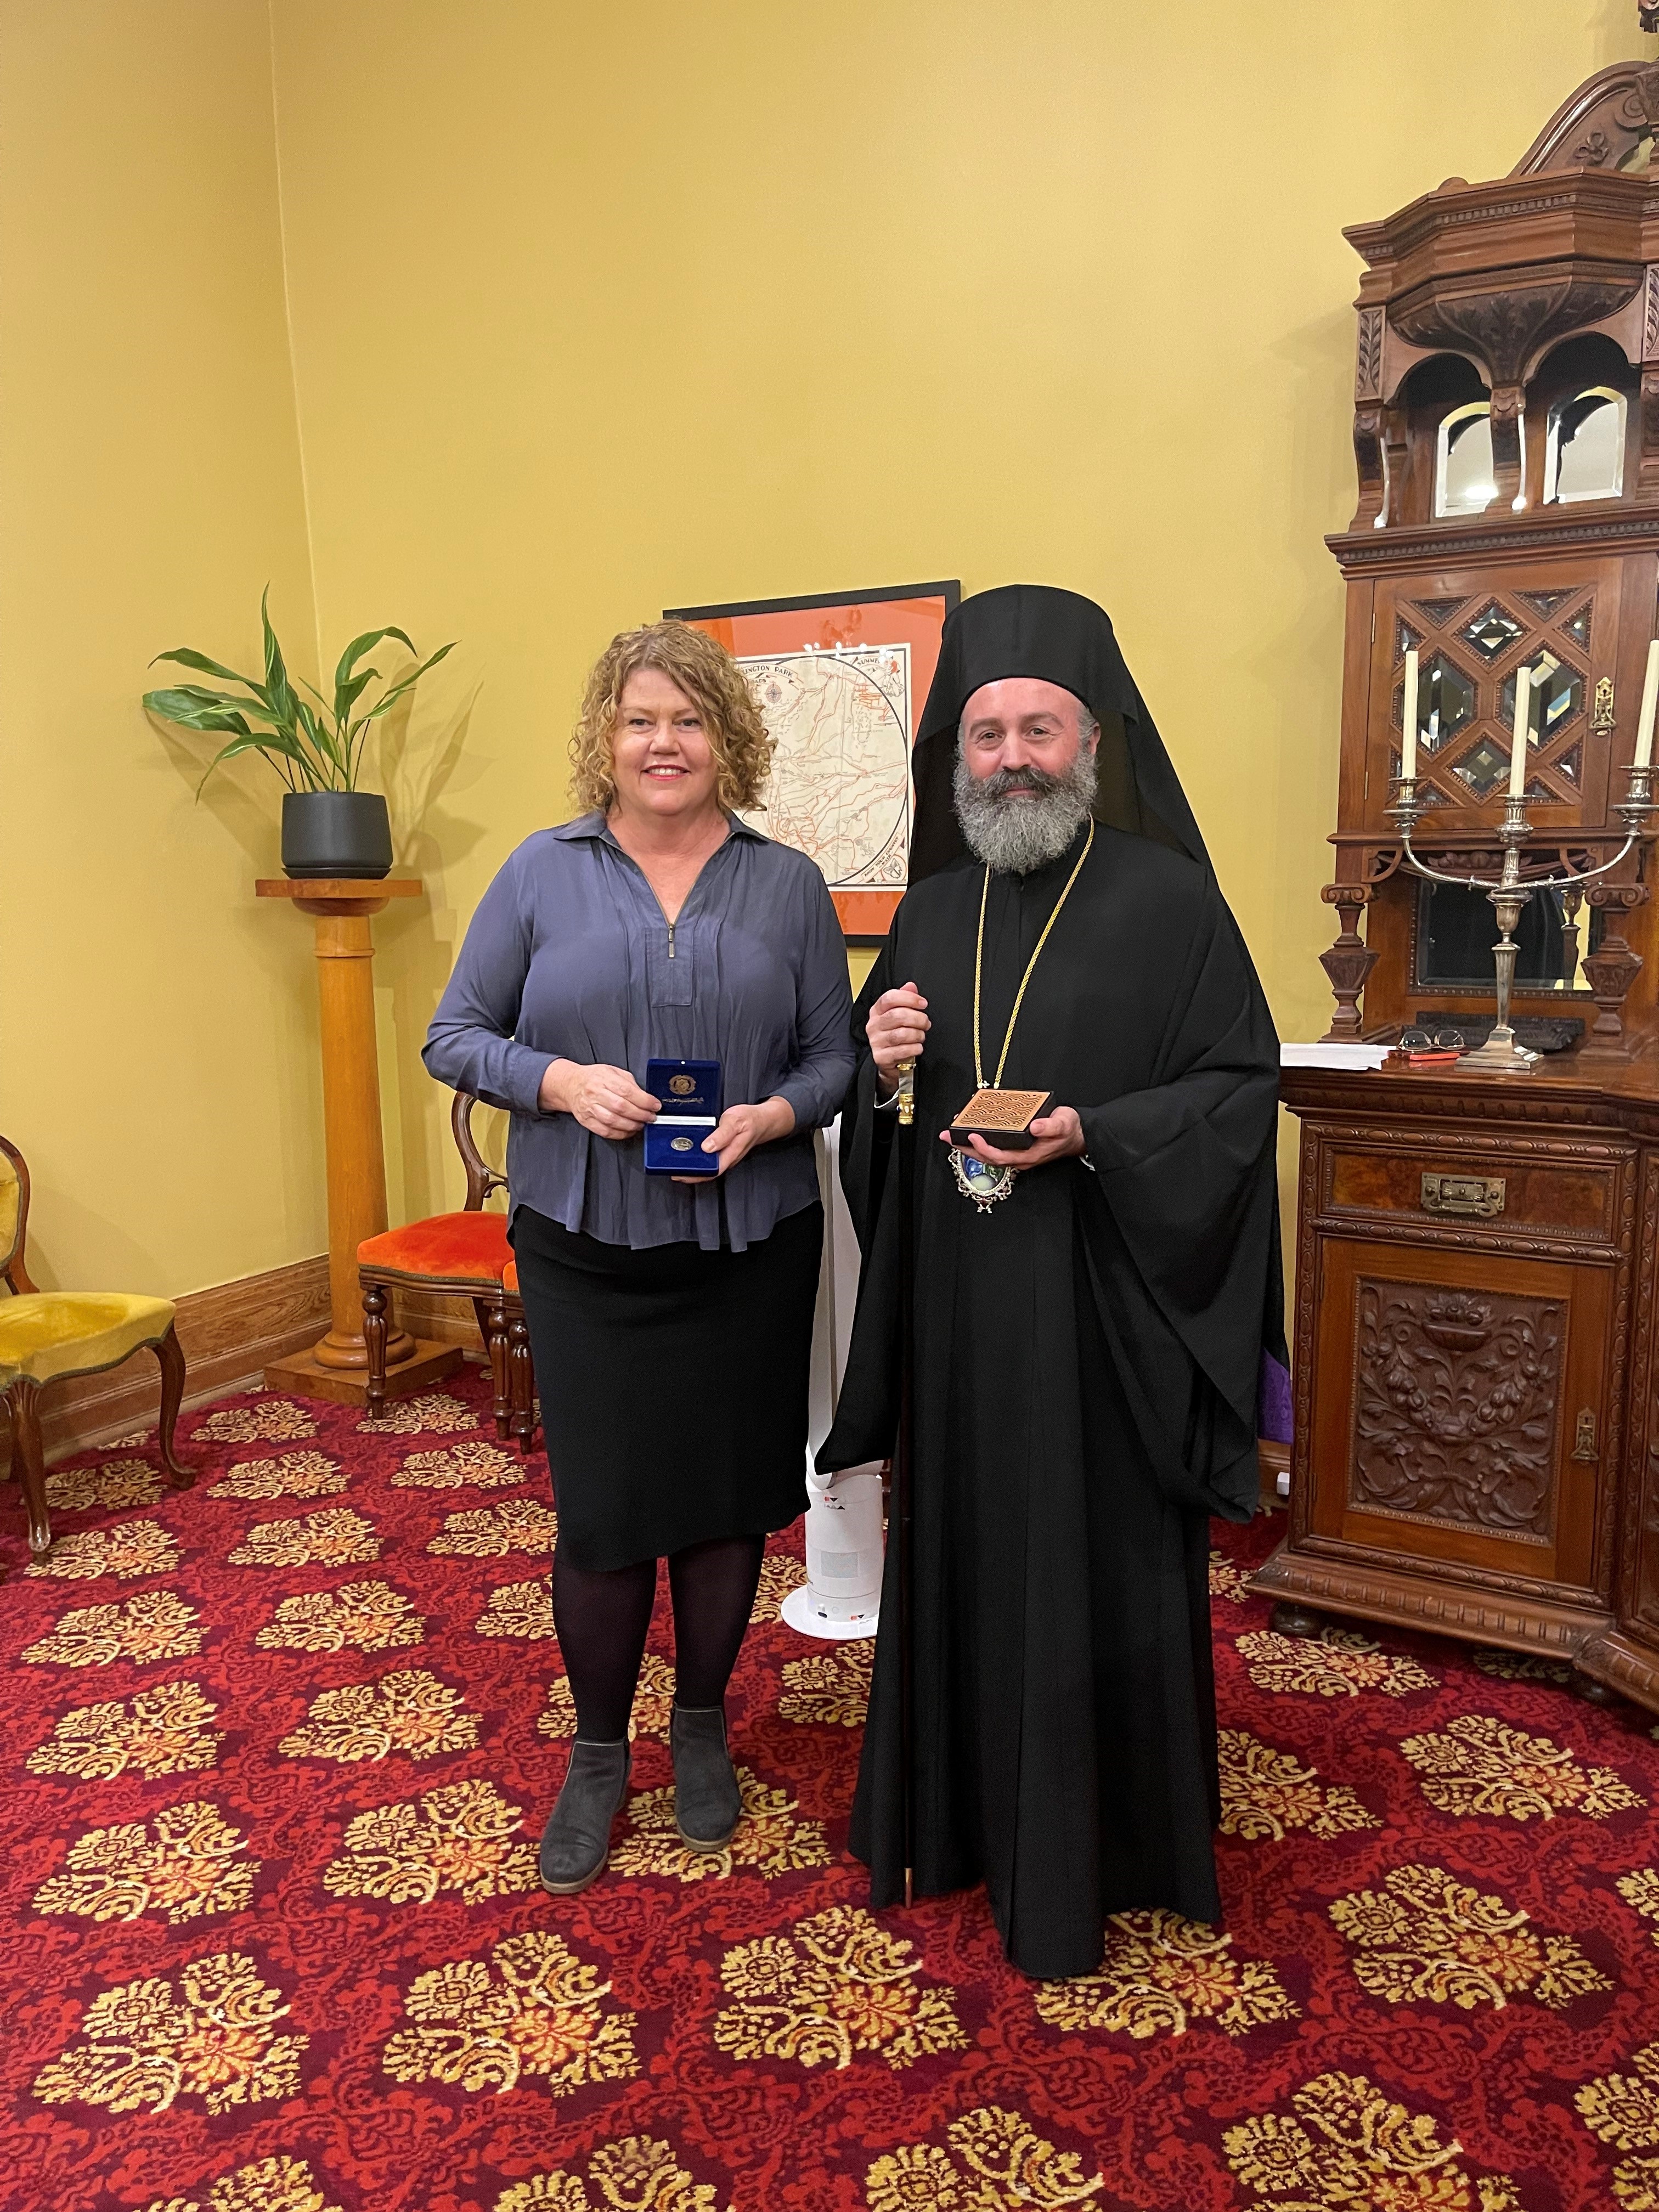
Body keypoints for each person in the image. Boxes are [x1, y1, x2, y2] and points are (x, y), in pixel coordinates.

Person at [817, 583, 1284, 1981]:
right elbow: (883, 1119)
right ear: (956, 755)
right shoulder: (928, 911)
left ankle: (1111, 1844)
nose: (1012, 758)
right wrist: (882, 1068)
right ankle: (957, 1816)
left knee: (1091, 1560)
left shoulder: (1172, 901)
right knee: (966, 1549)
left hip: (1101, 1314)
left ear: (1092, 742)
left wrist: (1101, 1135)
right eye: (987, 734)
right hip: (963, 1313)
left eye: (1040, 729)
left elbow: (1237, 1088)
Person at [424, 619, 854, 1895]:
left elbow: (832, 1059)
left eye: (689, 721)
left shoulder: (788, 884)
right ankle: (600, 1753)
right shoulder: (539, 871)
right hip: (585, 1247)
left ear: (728, 740)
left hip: (749, 1242)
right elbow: (455, 1036)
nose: (664, 743)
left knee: (726, 1505)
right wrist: (557, 1081)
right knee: (605, 1520)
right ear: (605, 741)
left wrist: (770, 1117)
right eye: (638, 721)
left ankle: (703, 1724)